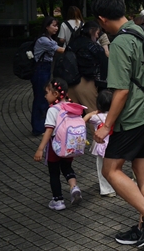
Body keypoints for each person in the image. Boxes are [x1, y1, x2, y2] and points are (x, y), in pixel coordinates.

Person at [93, 0, 144, 248]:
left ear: (102, 19)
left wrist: (106, 125)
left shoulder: (119, 42)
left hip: (134, 117)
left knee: (110, 170)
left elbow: (121, 91)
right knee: (143, 171)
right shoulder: (142, 30)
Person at [33, 78, 84, 210]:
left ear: (55, 94)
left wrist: (40, 149)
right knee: (67, 168)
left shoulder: (53, 110)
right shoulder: (71, 106)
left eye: (47, 93)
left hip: (55, 147)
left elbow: (49, 130)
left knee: (54, 173)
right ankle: (74, 187)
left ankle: (58, 200)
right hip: (69, 145)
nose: (45, 96)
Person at [30, 17, 65, 136]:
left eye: (57, 25)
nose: (56, 28)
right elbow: (60, 50)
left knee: (43, 97)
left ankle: (42, 126)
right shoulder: (43, 40)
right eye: (54, 25)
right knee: (41, 98)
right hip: (40, 70)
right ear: (46, 26)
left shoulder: (48, 38)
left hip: (45, 68)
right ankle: (38, 128)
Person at [67, 20, 108, 113]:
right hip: (87, 84)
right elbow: (104, 66)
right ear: (91, 31)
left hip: (69, 83)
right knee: (94, 116)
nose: (97, 36)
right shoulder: (94, 47)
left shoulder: (72, 43)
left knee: (72, 116)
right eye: (97, 33)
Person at [84, 90, 117, 197]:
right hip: (114, 145)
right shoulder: (116, 116)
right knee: (114, 168)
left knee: (101, 167)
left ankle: (106, 190)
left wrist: (90, 113)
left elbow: (83, 121)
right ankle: (117, 186)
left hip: (101, 145)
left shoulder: (96, 118)